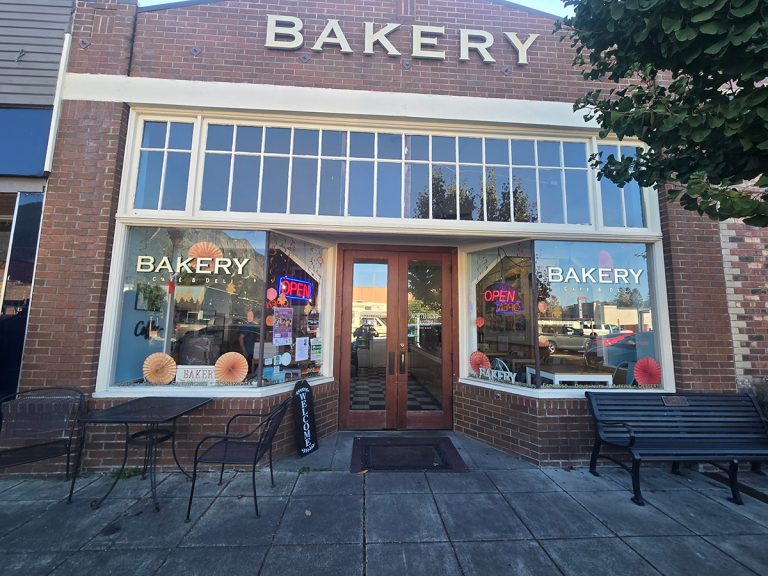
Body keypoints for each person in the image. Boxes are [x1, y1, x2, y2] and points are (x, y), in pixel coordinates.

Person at [238, 308, 259, 376]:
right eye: (248, 315)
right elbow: (240, 338)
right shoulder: (248, 326)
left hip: (254, 352)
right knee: (247, 371)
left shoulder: (255, 326)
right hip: (248, 353)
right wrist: (244, 351)